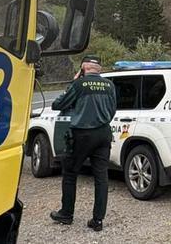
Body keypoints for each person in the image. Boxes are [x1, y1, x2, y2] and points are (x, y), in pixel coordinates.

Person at [49, 55, 117, 231]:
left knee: (70, 173)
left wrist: (72, 83)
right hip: (103, 133)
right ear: (99, 69)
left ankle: (66, 214)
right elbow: (112, 110)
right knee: (101, 178)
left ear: (82, 69)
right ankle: (98, 220)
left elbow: (58, 104)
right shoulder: (109, 85)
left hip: (82, 134)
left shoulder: (79, 85)